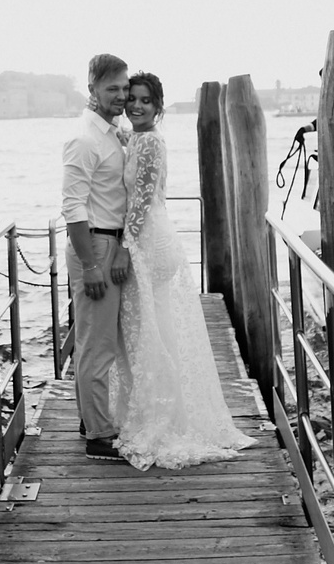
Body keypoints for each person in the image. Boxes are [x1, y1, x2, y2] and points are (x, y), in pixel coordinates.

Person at [112, 73, 254, 469]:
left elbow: (140, 199)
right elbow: (133, 158)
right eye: (132, 100)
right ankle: (155, 409)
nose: (136, 106)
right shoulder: (140, 138)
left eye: (144, 101)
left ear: (159, 106)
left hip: (147, 242)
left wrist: (125, 248)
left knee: (148, 332)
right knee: (151, 329)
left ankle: (162, 418)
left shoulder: (152, 140)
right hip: (149, 236)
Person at [61, 53, 132, 458]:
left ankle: (93, 420)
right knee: (96, 344)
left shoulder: (111, 130)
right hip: (95, 244)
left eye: (124, 88)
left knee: (100, 341)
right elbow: (73, 208)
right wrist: (90, 264)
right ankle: (99, 437)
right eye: (112, 89)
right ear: (91, 89)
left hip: (110, 242)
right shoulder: (84, 137)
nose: (121, 96)